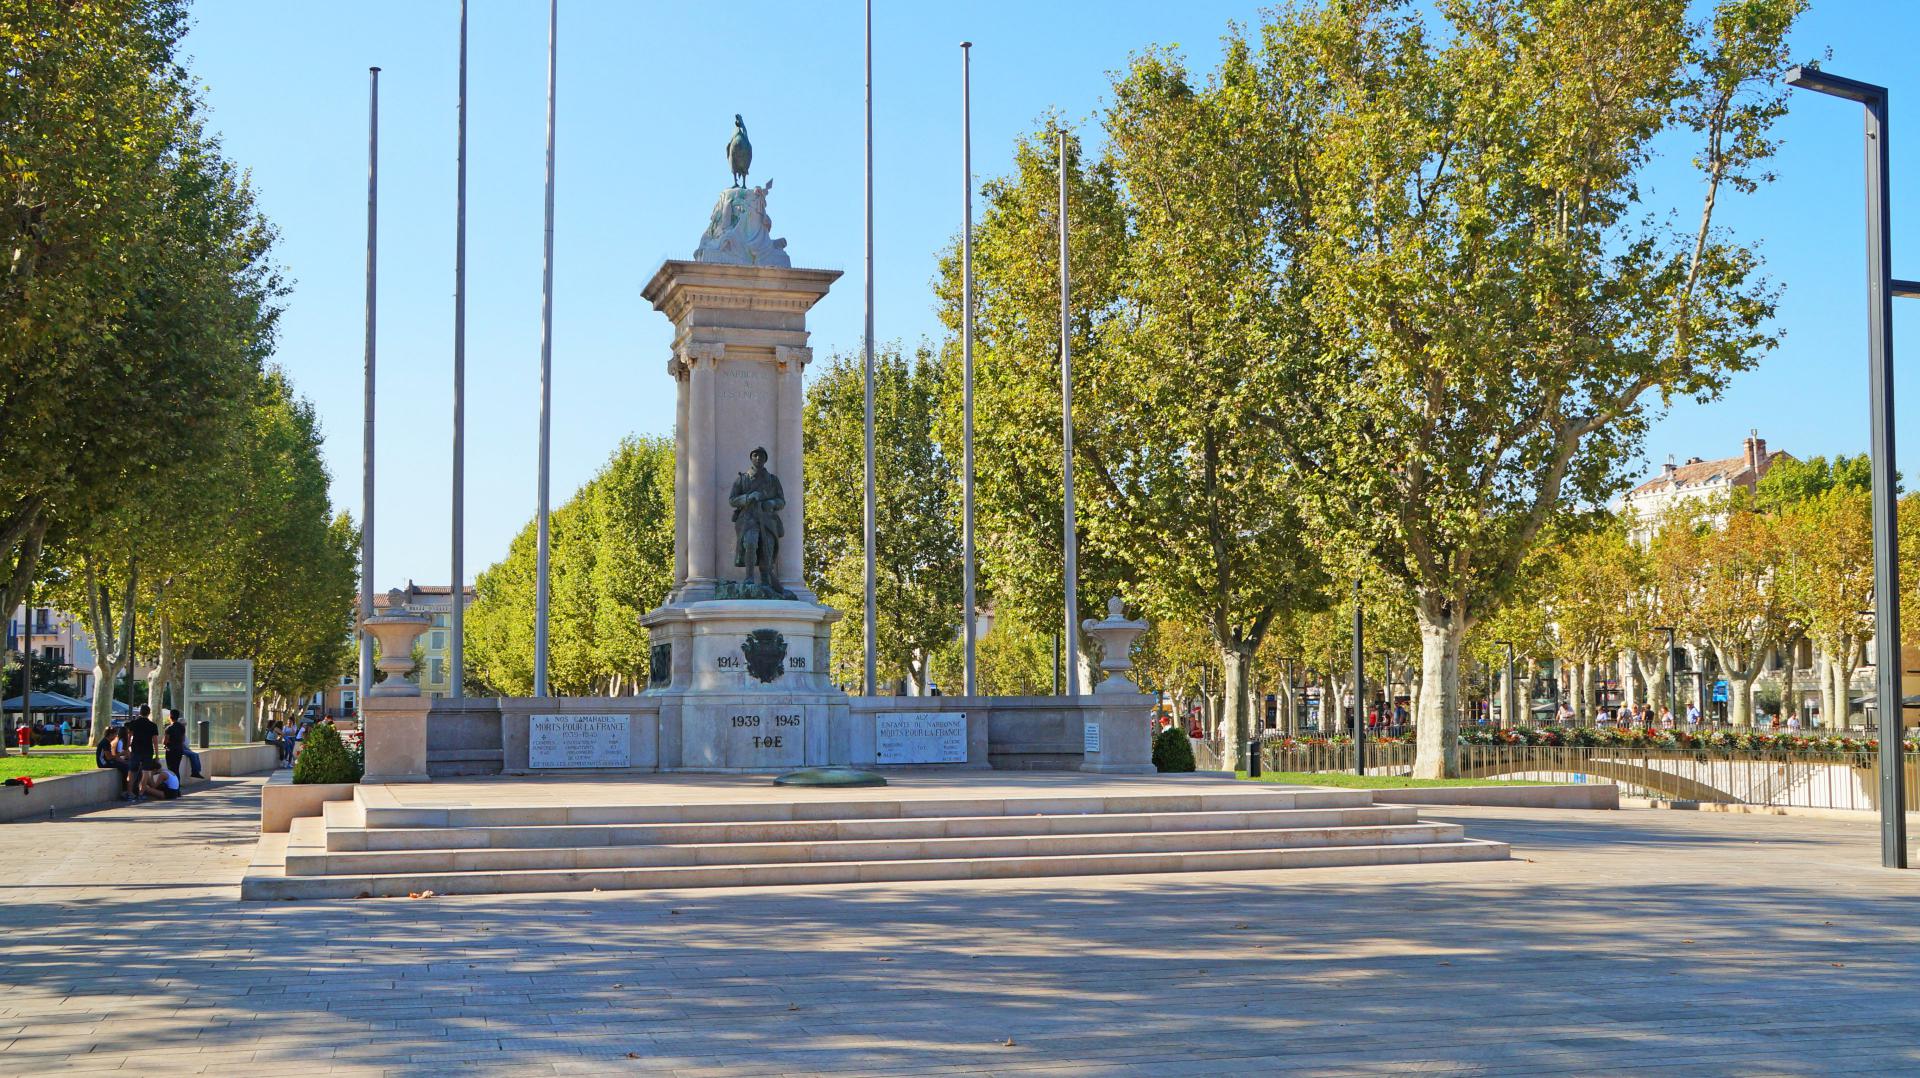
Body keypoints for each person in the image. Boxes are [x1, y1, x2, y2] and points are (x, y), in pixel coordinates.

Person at [125, 705, 160, 797]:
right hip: (148, 750)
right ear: (149, 713)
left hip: (136, 749)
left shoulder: (134, 723)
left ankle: (129, 793)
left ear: (140, 712)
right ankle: (141, 792)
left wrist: (127, 749)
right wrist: (157, 755)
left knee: (132, 771)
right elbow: (155, 741)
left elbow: (129, 737)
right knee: (145, 772)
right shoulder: (152, 725)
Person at [95, 723, 134, 800]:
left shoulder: (107, 742)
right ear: (110, 734)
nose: (116, 736)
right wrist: (120, 754)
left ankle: (126, 790)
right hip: (103, 763)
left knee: (125, 766)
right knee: (125, 768)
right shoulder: (105, 742)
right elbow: (109, 757)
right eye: (115, 734)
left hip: (107, 761)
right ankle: (124, 791)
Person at [163, 709, 204, 780]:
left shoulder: (169, 728)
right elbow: (183, 739)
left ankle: (174, 785)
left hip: (171, 751)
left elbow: (165, 742)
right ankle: (177, 785)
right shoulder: (182, 727)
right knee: (176, 768)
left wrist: (166, 742)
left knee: (171, 769)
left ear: (170, 717)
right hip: (179, 750)